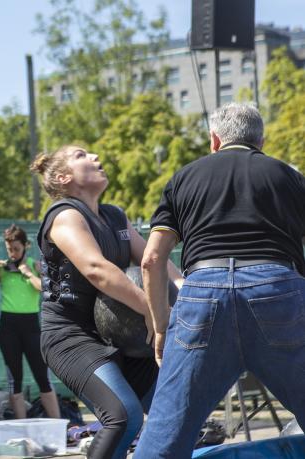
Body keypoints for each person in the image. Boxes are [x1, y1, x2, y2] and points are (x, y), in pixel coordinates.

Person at [135, 103, 305, 458]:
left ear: (214, 139)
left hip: (201, 295)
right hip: (278, 289)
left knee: (167, 431)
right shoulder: (288, 177)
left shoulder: (183, 178)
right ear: (261, 139)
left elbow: (151, 259)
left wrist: (162, 325)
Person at [30, 145, 183, 459]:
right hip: (71, 338)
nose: (96, 157)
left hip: (123, 333)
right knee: (123, 417)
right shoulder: (64, 215)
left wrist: (187, 292)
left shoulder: (114, 216)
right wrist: (155, 312)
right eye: (82, 155)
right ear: (63, 177)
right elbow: (96, 270)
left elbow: (153, 261)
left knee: (176, 411)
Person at [0, 224, 60, 419]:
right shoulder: (2, 270)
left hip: (31, 329)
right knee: (15, 382)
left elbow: (45, 290)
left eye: (16, 249)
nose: (12, 254)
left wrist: (29, 273)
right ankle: (22, 428)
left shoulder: (34, 265)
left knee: (43, 378)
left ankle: (58, 427)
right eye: (9, 250)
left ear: (26, 246)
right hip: (8, 329)